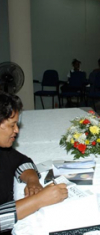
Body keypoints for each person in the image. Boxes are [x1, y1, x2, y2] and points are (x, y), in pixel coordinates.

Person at [0, 92, 67, 233]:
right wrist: (38, 200)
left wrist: (32, 181)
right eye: (12, 125)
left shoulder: (3, 149)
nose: (17, 130)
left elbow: (21, 161)